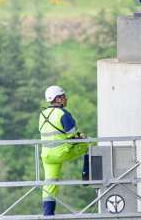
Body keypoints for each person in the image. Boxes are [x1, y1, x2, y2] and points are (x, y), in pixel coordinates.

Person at [38, 85, 90, 216]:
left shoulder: (42, 114)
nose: (66, 99)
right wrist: (82, 137)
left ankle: (48, 214)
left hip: (46, 155)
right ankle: (87, 176)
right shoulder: (63, 114)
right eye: (64, 96)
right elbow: (73, 136)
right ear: (58, 99)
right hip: (61, 152)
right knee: (87, 145)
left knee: (50, 183)